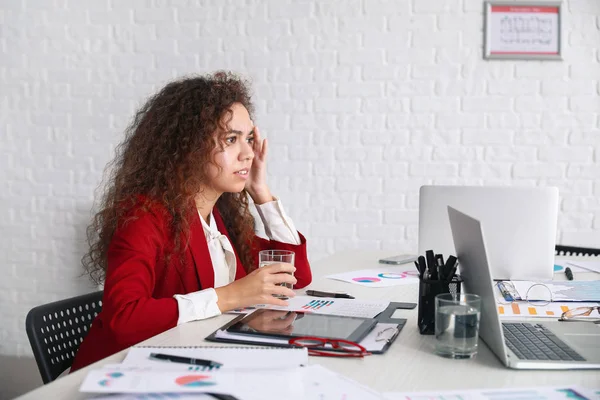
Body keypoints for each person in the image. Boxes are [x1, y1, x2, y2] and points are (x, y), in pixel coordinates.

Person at [71, 71, 312, 371]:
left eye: (248, 139)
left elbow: (295, 276)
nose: (248, 153)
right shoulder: (143, 217)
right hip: (119, 375)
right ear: (189, 147)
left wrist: (260, 192)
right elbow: (124, 319)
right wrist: (228, 296)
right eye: (231, 139)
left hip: (189, 366)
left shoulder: (221, 216)